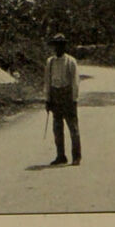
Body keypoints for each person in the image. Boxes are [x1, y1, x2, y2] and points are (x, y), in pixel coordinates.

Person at [44, 32, 82, 165]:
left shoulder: (71, 61)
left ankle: (76, 156)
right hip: (55, 96)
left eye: (60, 45)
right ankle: (61, 156)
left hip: (67, 97)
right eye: (56, 45)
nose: (58, 48)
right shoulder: (50, 62)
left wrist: (74, 99)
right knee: (57, 128)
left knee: (73, 128)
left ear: (64, 46)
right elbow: (47, 81)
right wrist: (47, 99)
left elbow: (75, 81)